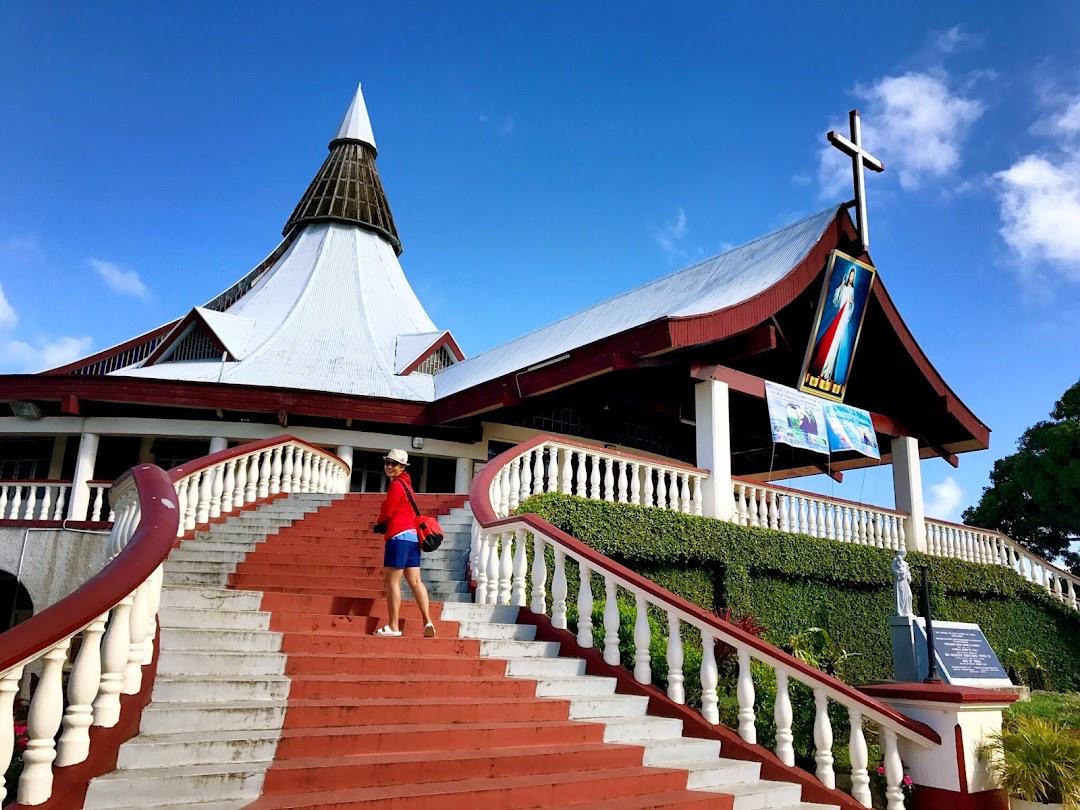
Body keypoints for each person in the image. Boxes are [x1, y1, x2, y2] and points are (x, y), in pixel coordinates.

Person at [371, 448, 435, 638]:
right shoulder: (408, 486)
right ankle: (428, 621)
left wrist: (379, 523)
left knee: (392, 582)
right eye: (387, 463)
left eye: (394, 464)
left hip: (398, 537)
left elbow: (387, 510)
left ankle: (393, 626)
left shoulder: (397, 486)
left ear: (402, 467)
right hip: (413, 537)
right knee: (415, 581)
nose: (389, 467)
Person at [809, 266, 858, 384]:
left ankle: (827, 373)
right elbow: (836, 301)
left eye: (853, 277)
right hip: (838, 317)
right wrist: (841, 287)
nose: (851, 278)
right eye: (850, 276)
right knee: (830, 343)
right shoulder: (844, 287)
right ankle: (823, 369)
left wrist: (851, 303)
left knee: (835, 346)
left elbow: (851, 307)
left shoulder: (852, 290)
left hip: (843, 319)